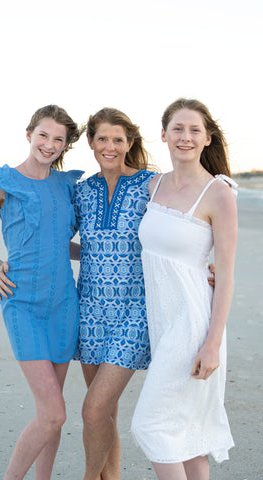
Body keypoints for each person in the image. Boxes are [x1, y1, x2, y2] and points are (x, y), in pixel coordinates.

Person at [0, 105, 83, 480]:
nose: (49, 144)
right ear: (29, 135)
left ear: (65, 144)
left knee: (51, 416)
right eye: (43, 135)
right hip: (22, 302)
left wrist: (100, 255)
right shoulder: (6, 183)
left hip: (64, 304)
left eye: (58, 139)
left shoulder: (66, 185)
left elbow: (60, 244)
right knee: (54, 412)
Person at [130, 98, 237, 480]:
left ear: (207, 139)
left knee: (151, 425)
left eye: (194, 130)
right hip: (163, 322)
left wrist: (212, 343)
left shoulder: (219, 193)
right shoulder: (152, 184)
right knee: (189, 433)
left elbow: (225, 274)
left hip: (194, 328)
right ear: (163, 134)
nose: (185, 137)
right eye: (177, 128)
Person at [72, 107, 157, 480]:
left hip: (134, 312)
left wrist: (206, 264)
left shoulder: (152, 185)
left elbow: (180, 230)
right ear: (90, 142)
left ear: (130, 143)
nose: (110, 146)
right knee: (105, 412)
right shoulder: (81, 192)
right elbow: (69, 241)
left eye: (118, 139)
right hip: (89, 310)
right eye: (102, 138)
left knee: (93, 410)